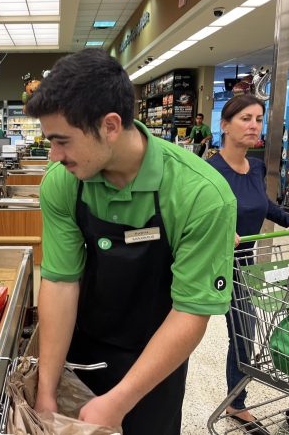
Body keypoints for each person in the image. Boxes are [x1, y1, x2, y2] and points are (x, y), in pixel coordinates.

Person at [25, 48, 237, 434]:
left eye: (63, 141)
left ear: (109, 125)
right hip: (82, 346)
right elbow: (59, 281)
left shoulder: (201, 195)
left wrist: (119, 401)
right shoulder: (63, 184)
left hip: (157, 357)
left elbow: (191, 311)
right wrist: (46, 388)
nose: (54, 155)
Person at [208, 94, 289, 434]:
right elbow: (191, 218)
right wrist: (219, 233)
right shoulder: (209, 170)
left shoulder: (255, 167)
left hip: (243, 266)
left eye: (258, 118)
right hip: (211, 264)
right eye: (245, 119)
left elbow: (263, 205)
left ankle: (236, 405)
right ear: (224, 125)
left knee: (243, 332)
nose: (254, 125)